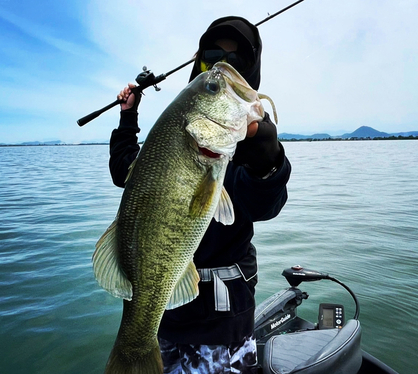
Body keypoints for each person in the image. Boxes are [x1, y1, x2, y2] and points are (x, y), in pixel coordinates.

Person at [110, 16, 292, 374]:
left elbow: (264, 204)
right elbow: (125, 172)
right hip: (164, 317)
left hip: (220, 327)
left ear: (251, 70)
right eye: (213, 57)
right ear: (199, 63)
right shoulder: (175, 135)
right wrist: (128, 117)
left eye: (238, 61)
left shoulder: (247, 143)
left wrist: (269, 163)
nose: (224, 66)